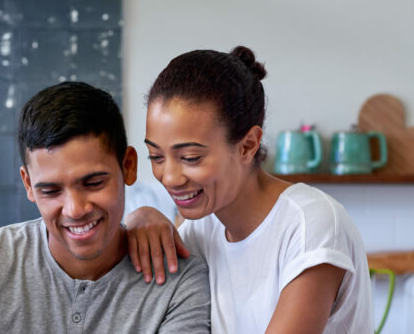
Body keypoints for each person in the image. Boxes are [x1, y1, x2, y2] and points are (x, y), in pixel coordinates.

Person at [0, 82, 211, 333]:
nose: (74, 209)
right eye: (51, 190)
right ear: (28, 184)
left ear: (128, 166)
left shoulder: (179, 282)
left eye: (93, 183)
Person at [124, 46, 373, 333]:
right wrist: (140, 218)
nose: (169, 177)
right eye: (156, 157)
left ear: (248, 145)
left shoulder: (310, 225)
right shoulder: (201, 230)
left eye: (190, 158)